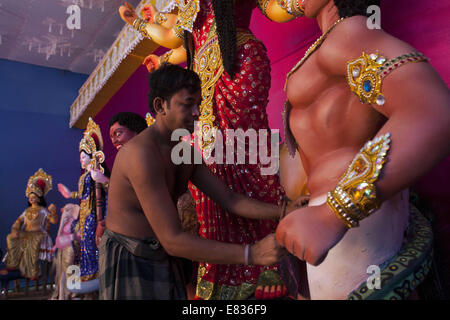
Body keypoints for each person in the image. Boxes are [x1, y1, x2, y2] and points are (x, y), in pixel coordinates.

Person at [118, 0, 305, 300]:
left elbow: (272, 7)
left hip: (237, 64)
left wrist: (299, 5)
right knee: (213, 174)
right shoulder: (146, 151)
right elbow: (180, 38)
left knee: (246, 161)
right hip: (201, 83)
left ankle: (265, 261)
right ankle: (224, 272)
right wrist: (155, 45)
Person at [275, 0, 450, 299]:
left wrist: (334, 213)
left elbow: (432, 111)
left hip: (351, 229)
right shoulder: (336, 40)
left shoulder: (350, 34)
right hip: (345, 232)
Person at [58, 118, 109, 295]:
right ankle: (86, 268)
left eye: (83, 155)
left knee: (89, 238)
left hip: (95, 212)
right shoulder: (83, 177)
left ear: (92, 155)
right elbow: (82, 195)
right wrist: (68, 195)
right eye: (79, 156)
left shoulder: (96, 173)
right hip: (84, 211)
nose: (81, 159)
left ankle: (94, 269)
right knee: (80, 241)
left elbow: (104, 190)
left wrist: (100, 178)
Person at [5, 169, 58, 291]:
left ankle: (36, 274)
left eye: (34, 197)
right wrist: (14, 229)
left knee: (32, 245)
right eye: (30, 197)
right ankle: (15, 267)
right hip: (26, 234)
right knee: (10, 238)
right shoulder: (27, 211)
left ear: (39, 198)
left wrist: (53, 213)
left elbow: (53, 221)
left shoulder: (43, 210)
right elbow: (18, 222)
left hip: (39, 234)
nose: (32, 199)